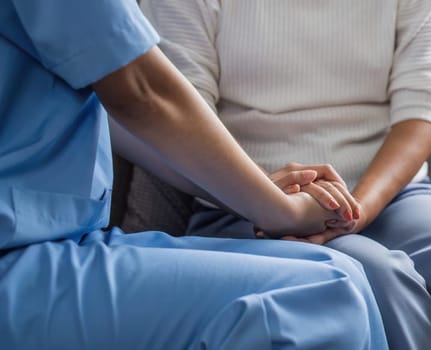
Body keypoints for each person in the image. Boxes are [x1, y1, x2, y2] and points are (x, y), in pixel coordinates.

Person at [140, 0, 431, 349]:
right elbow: (182, 118)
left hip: (393, 198)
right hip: (242, 204)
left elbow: (421, 114)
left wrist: (358, 210)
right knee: (378, 279)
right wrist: (275, 204)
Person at [0, 0, 389, 349]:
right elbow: (142, 91)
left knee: (340, 271)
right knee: (323, 293)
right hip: (19, 257)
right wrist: (280, 211)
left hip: (45, 242)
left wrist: (261, 195)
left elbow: (121, 114)